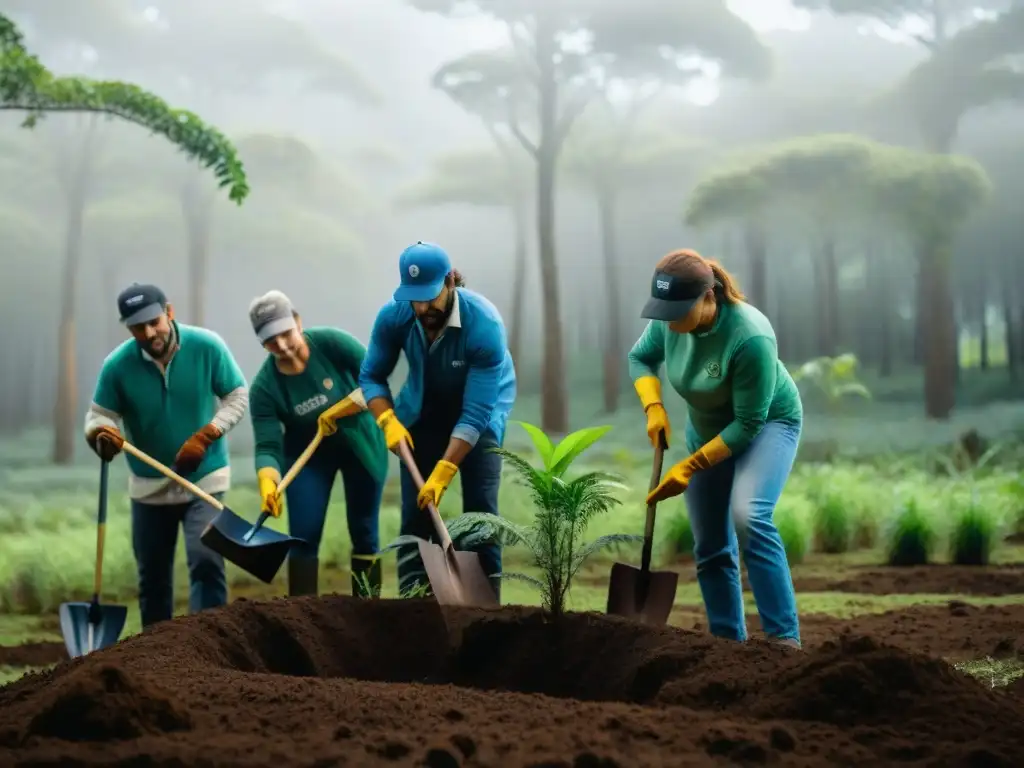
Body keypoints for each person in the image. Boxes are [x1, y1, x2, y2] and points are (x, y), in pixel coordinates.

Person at [627, 249, 803, 648]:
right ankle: (727, 646)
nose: (667, 321)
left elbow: (747, 424)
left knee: (749, 514)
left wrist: (688, 467)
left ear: (708, 297)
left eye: (676, 310)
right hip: (705, 431)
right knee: (709, 543)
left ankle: (783, 642)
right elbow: (640, 358)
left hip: (766, 426)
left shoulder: (749, 337)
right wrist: (653, 407)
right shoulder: (668, 321)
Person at [83, 283, 249, 629]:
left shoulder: (207, 346)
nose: (148, 333)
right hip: (148, 486)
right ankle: (160, 659)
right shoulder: (117, 365)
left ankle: (211, 647)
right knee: (153, 577)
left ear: (169, 312)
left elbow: (236, 397)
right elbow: (98, 415)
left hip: (203, 479)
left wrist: (207, 435)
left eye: (153, 322)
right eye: (137, 327)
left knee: (205, 561)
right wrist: (99, 433)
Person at [359, 241, 516, 600]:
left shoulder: (484, 324)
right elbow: (371, 376)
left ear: (450, 282)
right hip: (423, 409)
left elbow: (475, 413)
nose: (423, 307)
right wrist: (387, 420)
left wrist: (445, 470)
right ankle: (413, 610)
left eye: (430, 296)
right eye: (414, 298)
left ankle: (485, 612)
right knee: (416, 518)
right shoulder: (395, 315)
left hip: (483, 411)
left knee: (480, 516)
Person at [247, 290, 389, 598]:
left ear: (298, 321)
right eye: (271, 341)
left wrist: (337, 411)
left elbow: (376, 381)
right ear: (262, 343)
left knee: (365, 532)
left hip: (361, 445)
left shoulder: (331, 343)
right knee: (303, 537)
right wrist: (267, 483)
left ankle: (371, 612)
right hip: (308, 459)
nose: (282, 346)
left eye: (286, 333)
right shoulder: (264, 389)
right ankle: (303, 619)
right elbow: (268, 445)